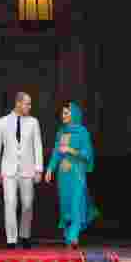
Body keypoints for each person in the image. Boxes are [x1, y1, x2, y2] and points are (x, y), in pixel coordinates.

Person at [44, 101, 99, 249]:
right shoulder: (61, 132)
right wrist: (50, 169)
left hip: (77, 174)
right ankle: (68, 238)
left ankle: (73, 237)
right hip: (63, 176)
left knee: (76, 204)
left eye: (67, 113)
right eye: (62, 113)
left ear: (74, 114)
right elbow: (56, 152)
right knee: (66, 206)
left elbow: (87, 153)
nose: (64, 116)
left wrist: (70, 150)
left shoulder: (82, 132)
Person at [0, 91, 43, 249]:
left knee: (27, 204)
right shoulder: (2, 122)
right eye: (27, 103)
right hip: (8, 170)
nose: (29, 106)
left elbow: (38, 146)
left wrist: (39, 169)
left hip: (28, 169)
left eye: (30, 103)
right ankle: (11, 240)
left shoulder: (34, 122)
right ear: (18, 103)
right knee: (10, 203)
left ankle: (25, 235)